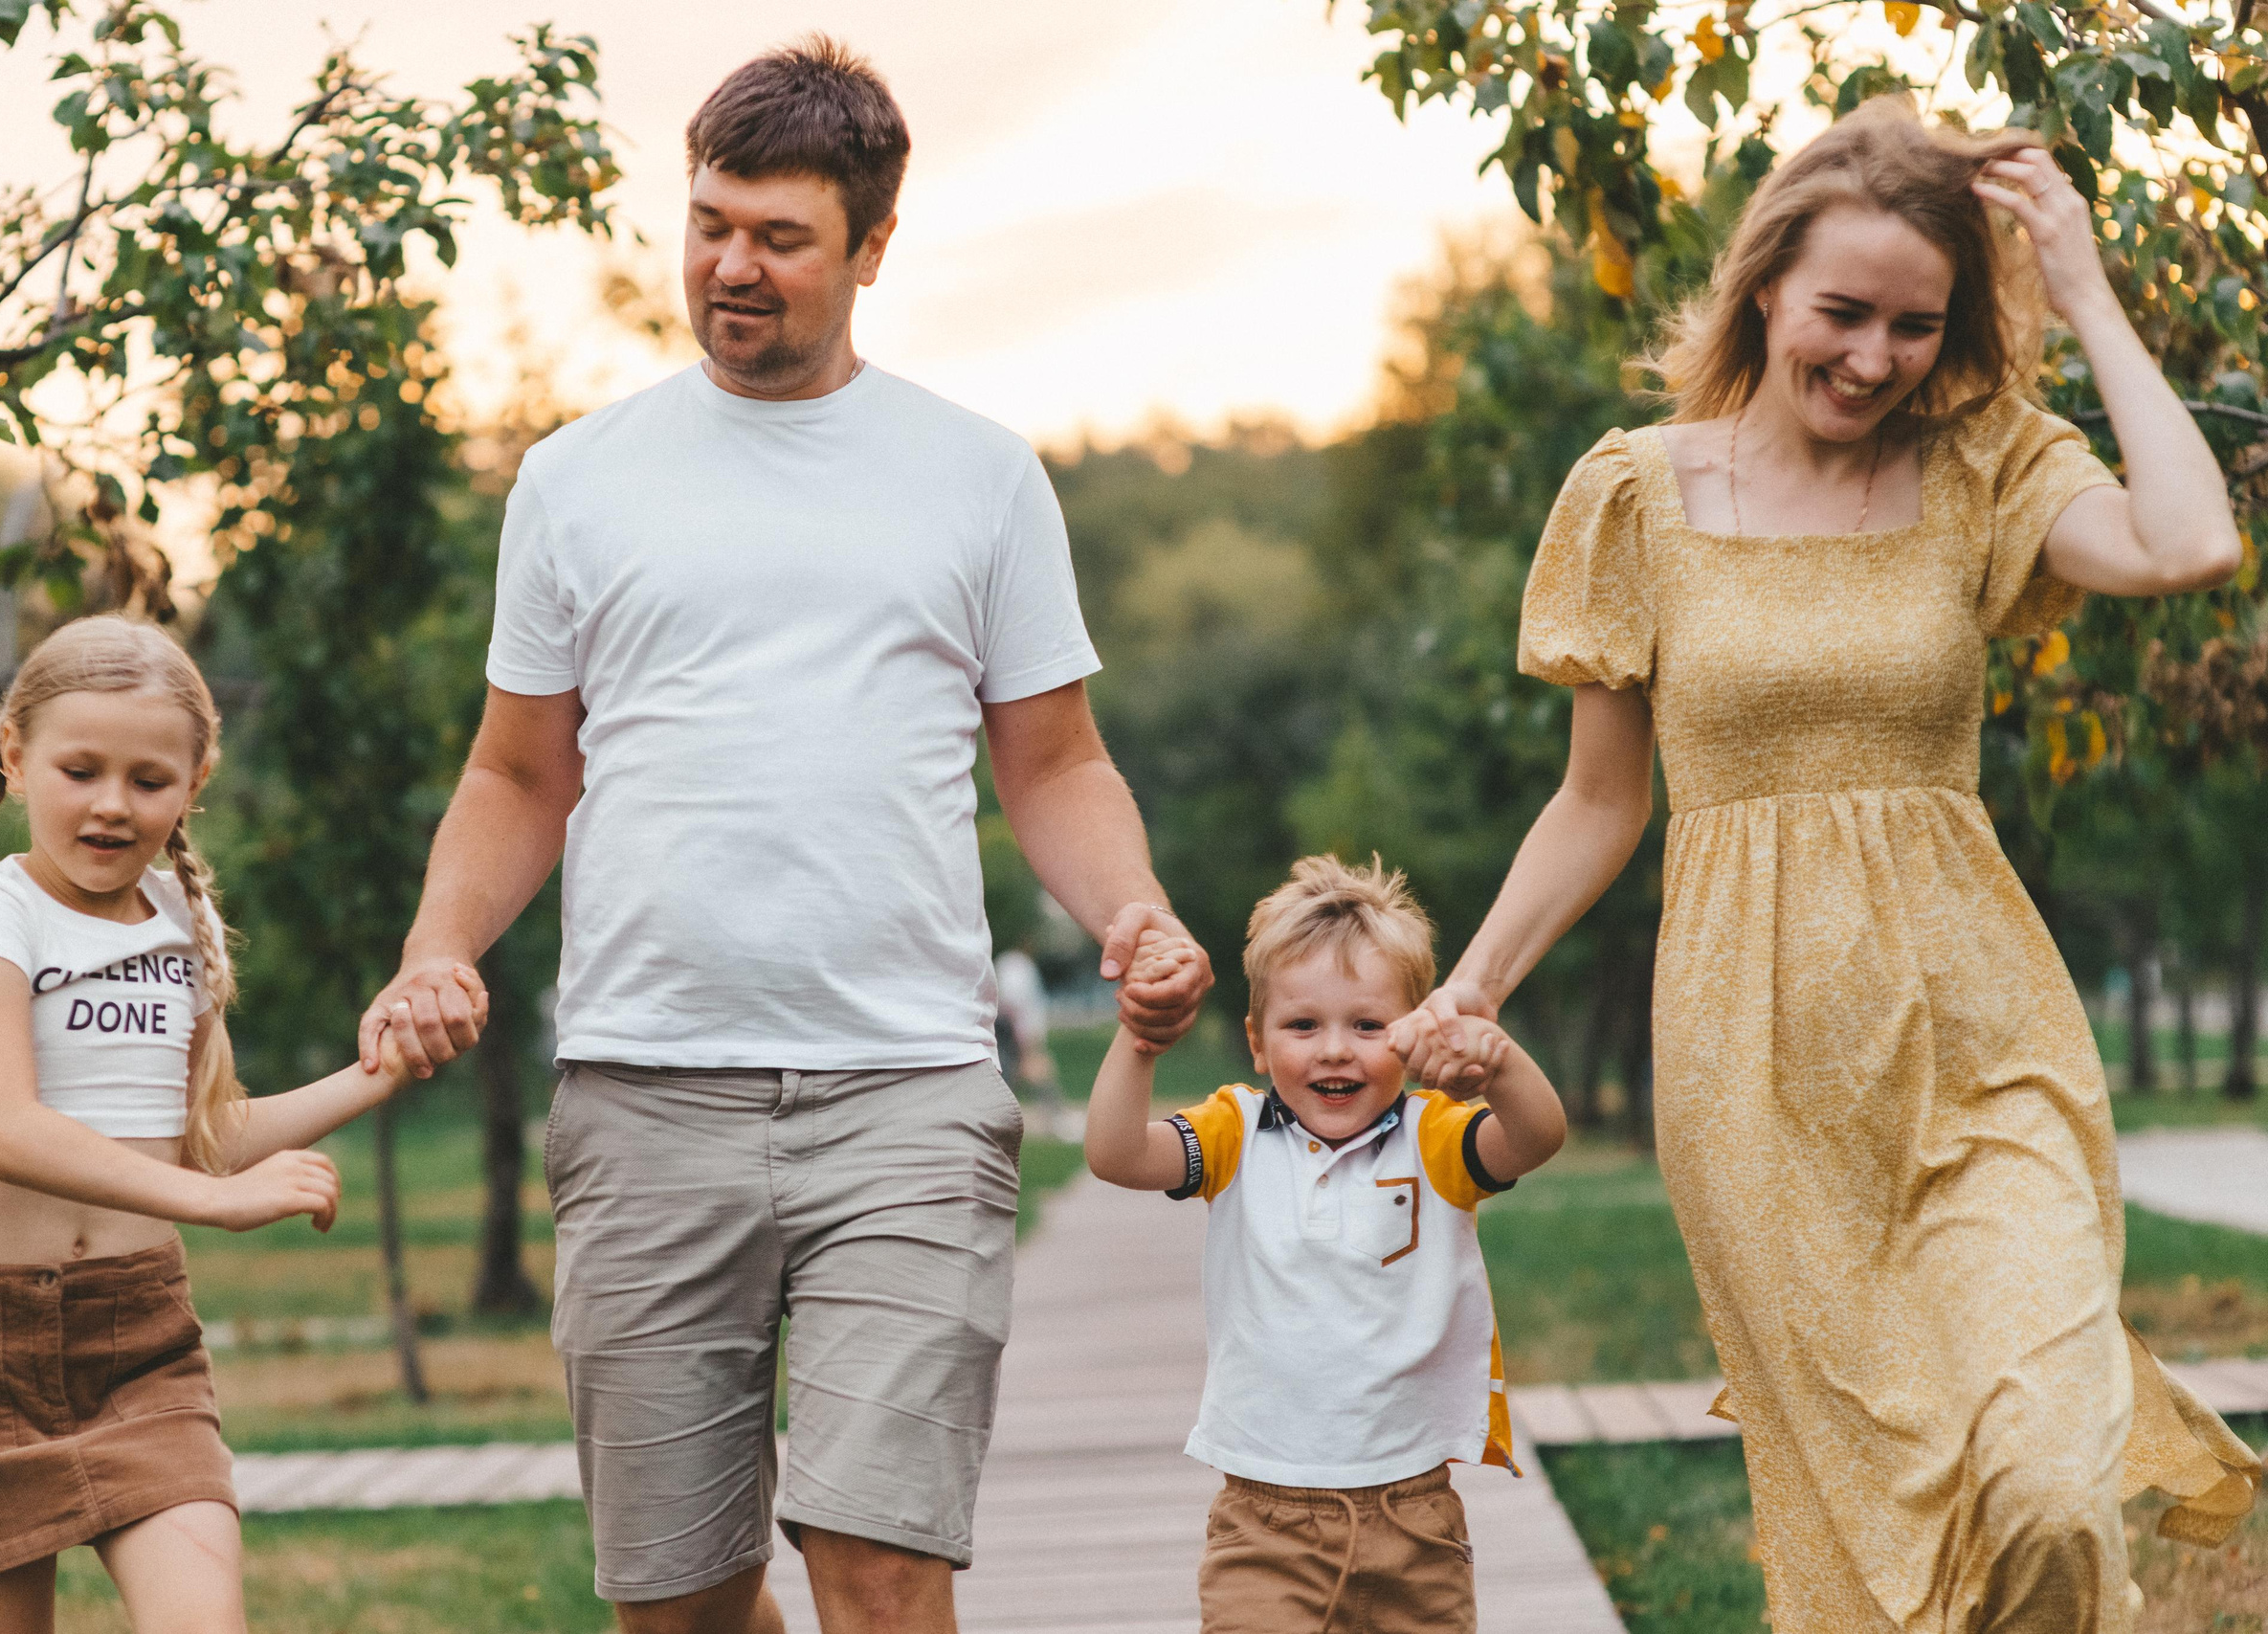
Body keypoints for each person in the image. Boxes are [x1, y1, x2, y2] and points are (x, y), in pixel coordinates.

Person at [353, 36, 1213, 1634]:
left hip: (905, 1084)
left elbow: (1055, 758)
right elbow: (518, 772)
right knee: (679, 1602)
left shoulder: (977, 477)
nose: (728, 267)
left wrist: (1135, 908)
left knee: (879, 1565)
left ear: (873, 248)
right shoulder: (576, 480)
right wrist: (436, 946)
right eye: (708, 223)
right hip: (642, 1085)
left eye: (779, 236)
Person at [1390, 99, 2259, 1632]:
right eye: (1842, 312)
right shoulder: (1636, 493)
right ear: (1765, 285)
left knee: (2051, 1479)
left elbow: (2190, 543)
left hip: (1988, 1042)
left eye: (1917, 324)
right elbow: (1601, 800)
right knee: (1868, 1519)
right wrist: (1468, 987)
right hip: (1760, 1070)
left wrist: (2085, 289)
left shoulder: (1989, 464)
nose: (1873, 357)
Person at [0, 615, 465, 1633]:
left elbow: (193, 1139)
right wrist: (213, 1203)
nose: (112, 805)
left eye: (150, 781)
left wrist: (371, 1077)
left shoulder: (180, 925)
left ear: (196, 780)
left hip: (141, 1346)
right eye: (81, 770)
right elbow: (9, 1130)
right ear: (16, 756)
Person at [1085, 856, 1566, 1634]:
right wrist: (1140, 1042)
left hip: (1414, 1516)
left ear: (1411, 1033)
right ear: (1257, 1041)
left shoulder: (1433, 1136)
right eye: (1303, 1025)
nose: (1335, 1049)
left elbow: (1537, 1137)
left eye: (1368, 1025)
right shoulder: (1235, 1133)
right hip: (1265, 1520)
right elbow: (1117, 1155)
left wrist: (1498, 1061)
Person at [992, 935, 1080, 1141]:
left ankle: (1052, 1119)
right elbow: (1013, 1003)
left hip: (1016, 1031)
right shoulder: (1016, 965)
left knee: (1018, 1075)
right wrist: (1023, 1037)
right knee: (1034, 1072)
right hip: (1017, 1032)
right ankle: (1056, 1120)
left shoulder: (1014, 964)